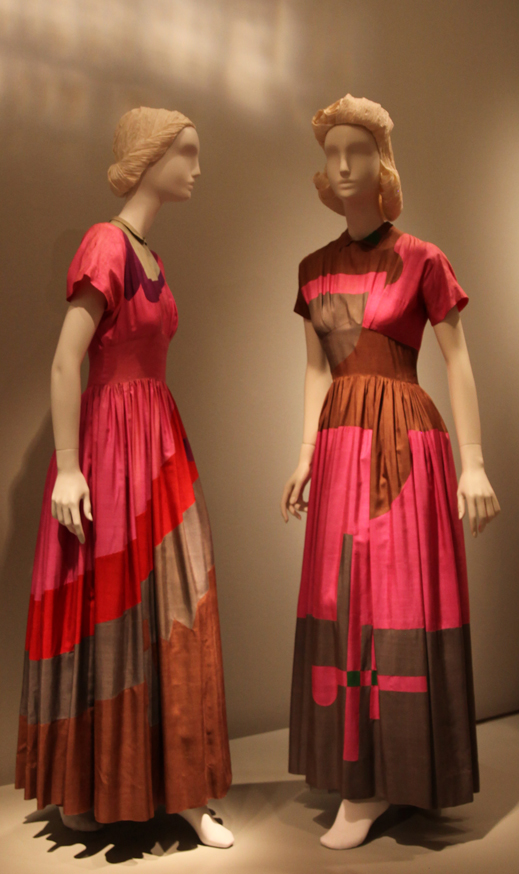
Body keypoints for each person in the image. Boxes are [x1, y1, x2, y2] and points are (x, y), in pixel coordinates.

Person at [280, 94, 500, 850]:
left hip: (405, 443)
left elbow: (458, 362)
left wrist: (474, 463)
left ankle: (399, 773)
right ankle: (358, 775)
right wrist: (304, 454)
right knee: (342, 601)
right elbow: (317, 370)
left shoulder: (423, 259)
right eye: (332, 152)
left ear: (383, 162)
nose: (344, 165)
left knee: (398, 601)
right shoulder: (312, 270)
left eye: (359, 150)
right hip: (339, 446)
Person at [16, 107, 234, 849]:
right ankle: (92, 784)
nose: (196, 168)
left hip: (158, 444)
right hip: (111, 446)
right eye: (186, 153)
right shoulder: (106, 243)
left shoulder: (151, 255)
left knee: (176, 606)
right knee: (110, 606)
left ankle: (184, 788)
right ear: (149, 158)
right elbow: (64, 361)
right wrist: (67, 468)